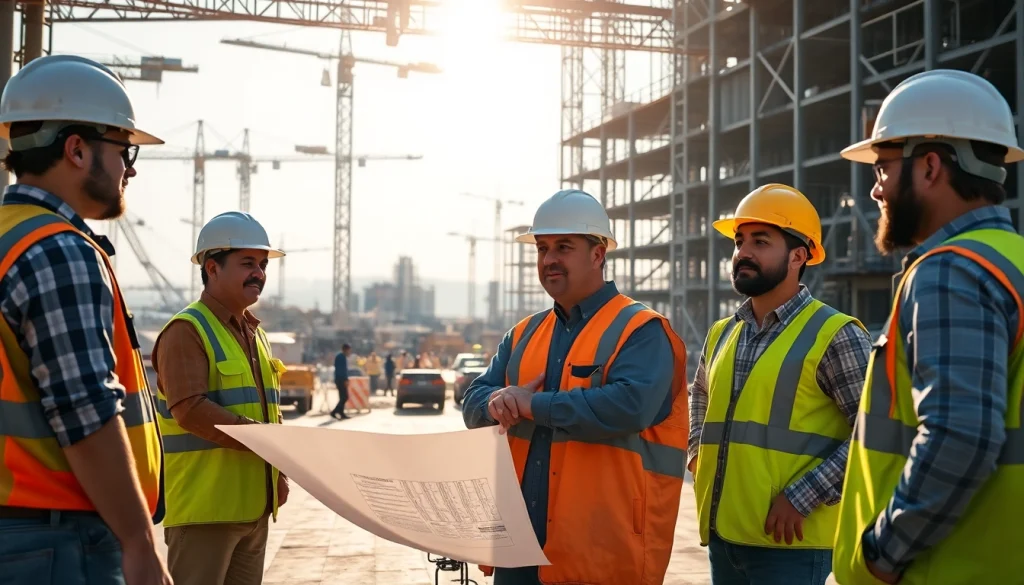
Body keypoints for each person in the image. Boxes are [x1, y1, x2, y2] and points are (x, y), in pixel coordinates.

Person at [832, 70, 1024, 584]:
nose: (875, 190)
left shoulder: (951, 270)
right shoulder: (1014, 262)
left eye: (883, 169)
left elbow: (960, 436)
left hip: (947, 569)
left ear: (931, 166)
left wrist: (881, 552)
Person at [0, 55, 170, 585]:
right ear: (76, 149)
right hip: (56, 540)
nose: (131, 168)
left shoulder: (8, 236)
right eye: (125, 150)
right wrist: (140, 542)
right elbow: (84, 411)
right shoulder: (58, 250)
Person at [462, 189, 689, 585]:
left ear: (598, 254)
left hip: (601, 552)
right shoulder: (523, 334)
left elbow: (629, 406)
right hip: (518, 552)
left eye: (563, 247)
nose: (549, 259)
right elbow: (473, 400)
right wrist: (498, 402)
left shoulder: (642, 330)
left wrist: (532, 405)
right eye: (543, 247)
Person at [688, 184, 873, 584]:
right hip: (726, 536)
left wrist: (803, 495)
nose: (743, 253)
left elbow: (874, 432)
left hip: (792, 546)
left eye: (760, 241)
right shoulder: (722, 333)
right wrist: (696, 451)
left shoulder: (835, 334)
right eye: (739, 242)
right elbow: (700, 391)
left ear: (798, 256)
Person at [152, 211, 288, 585]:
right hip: (203, 513)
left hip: (253, 509)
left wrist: (279, 471)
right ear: (212, 268)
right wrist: (264, 443)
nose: (259, 273)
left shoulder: (255, 334)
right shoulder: (186, 330)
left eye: (262, 264)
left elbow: (268, 413)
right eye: (247, 263)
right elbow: (190, 410)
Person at [331, 344, 352, 419]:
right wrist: (345, 379)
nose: (350, 352)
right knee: (345, 397)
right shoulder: (341, 357)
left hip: (339, 379)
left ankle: (340, 412)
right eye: (349, 350)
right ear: (346, 350)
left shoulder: (341, 357)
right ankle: (335, 411)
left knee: (342, 397)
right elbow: (342, 370)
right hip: (341, 379)